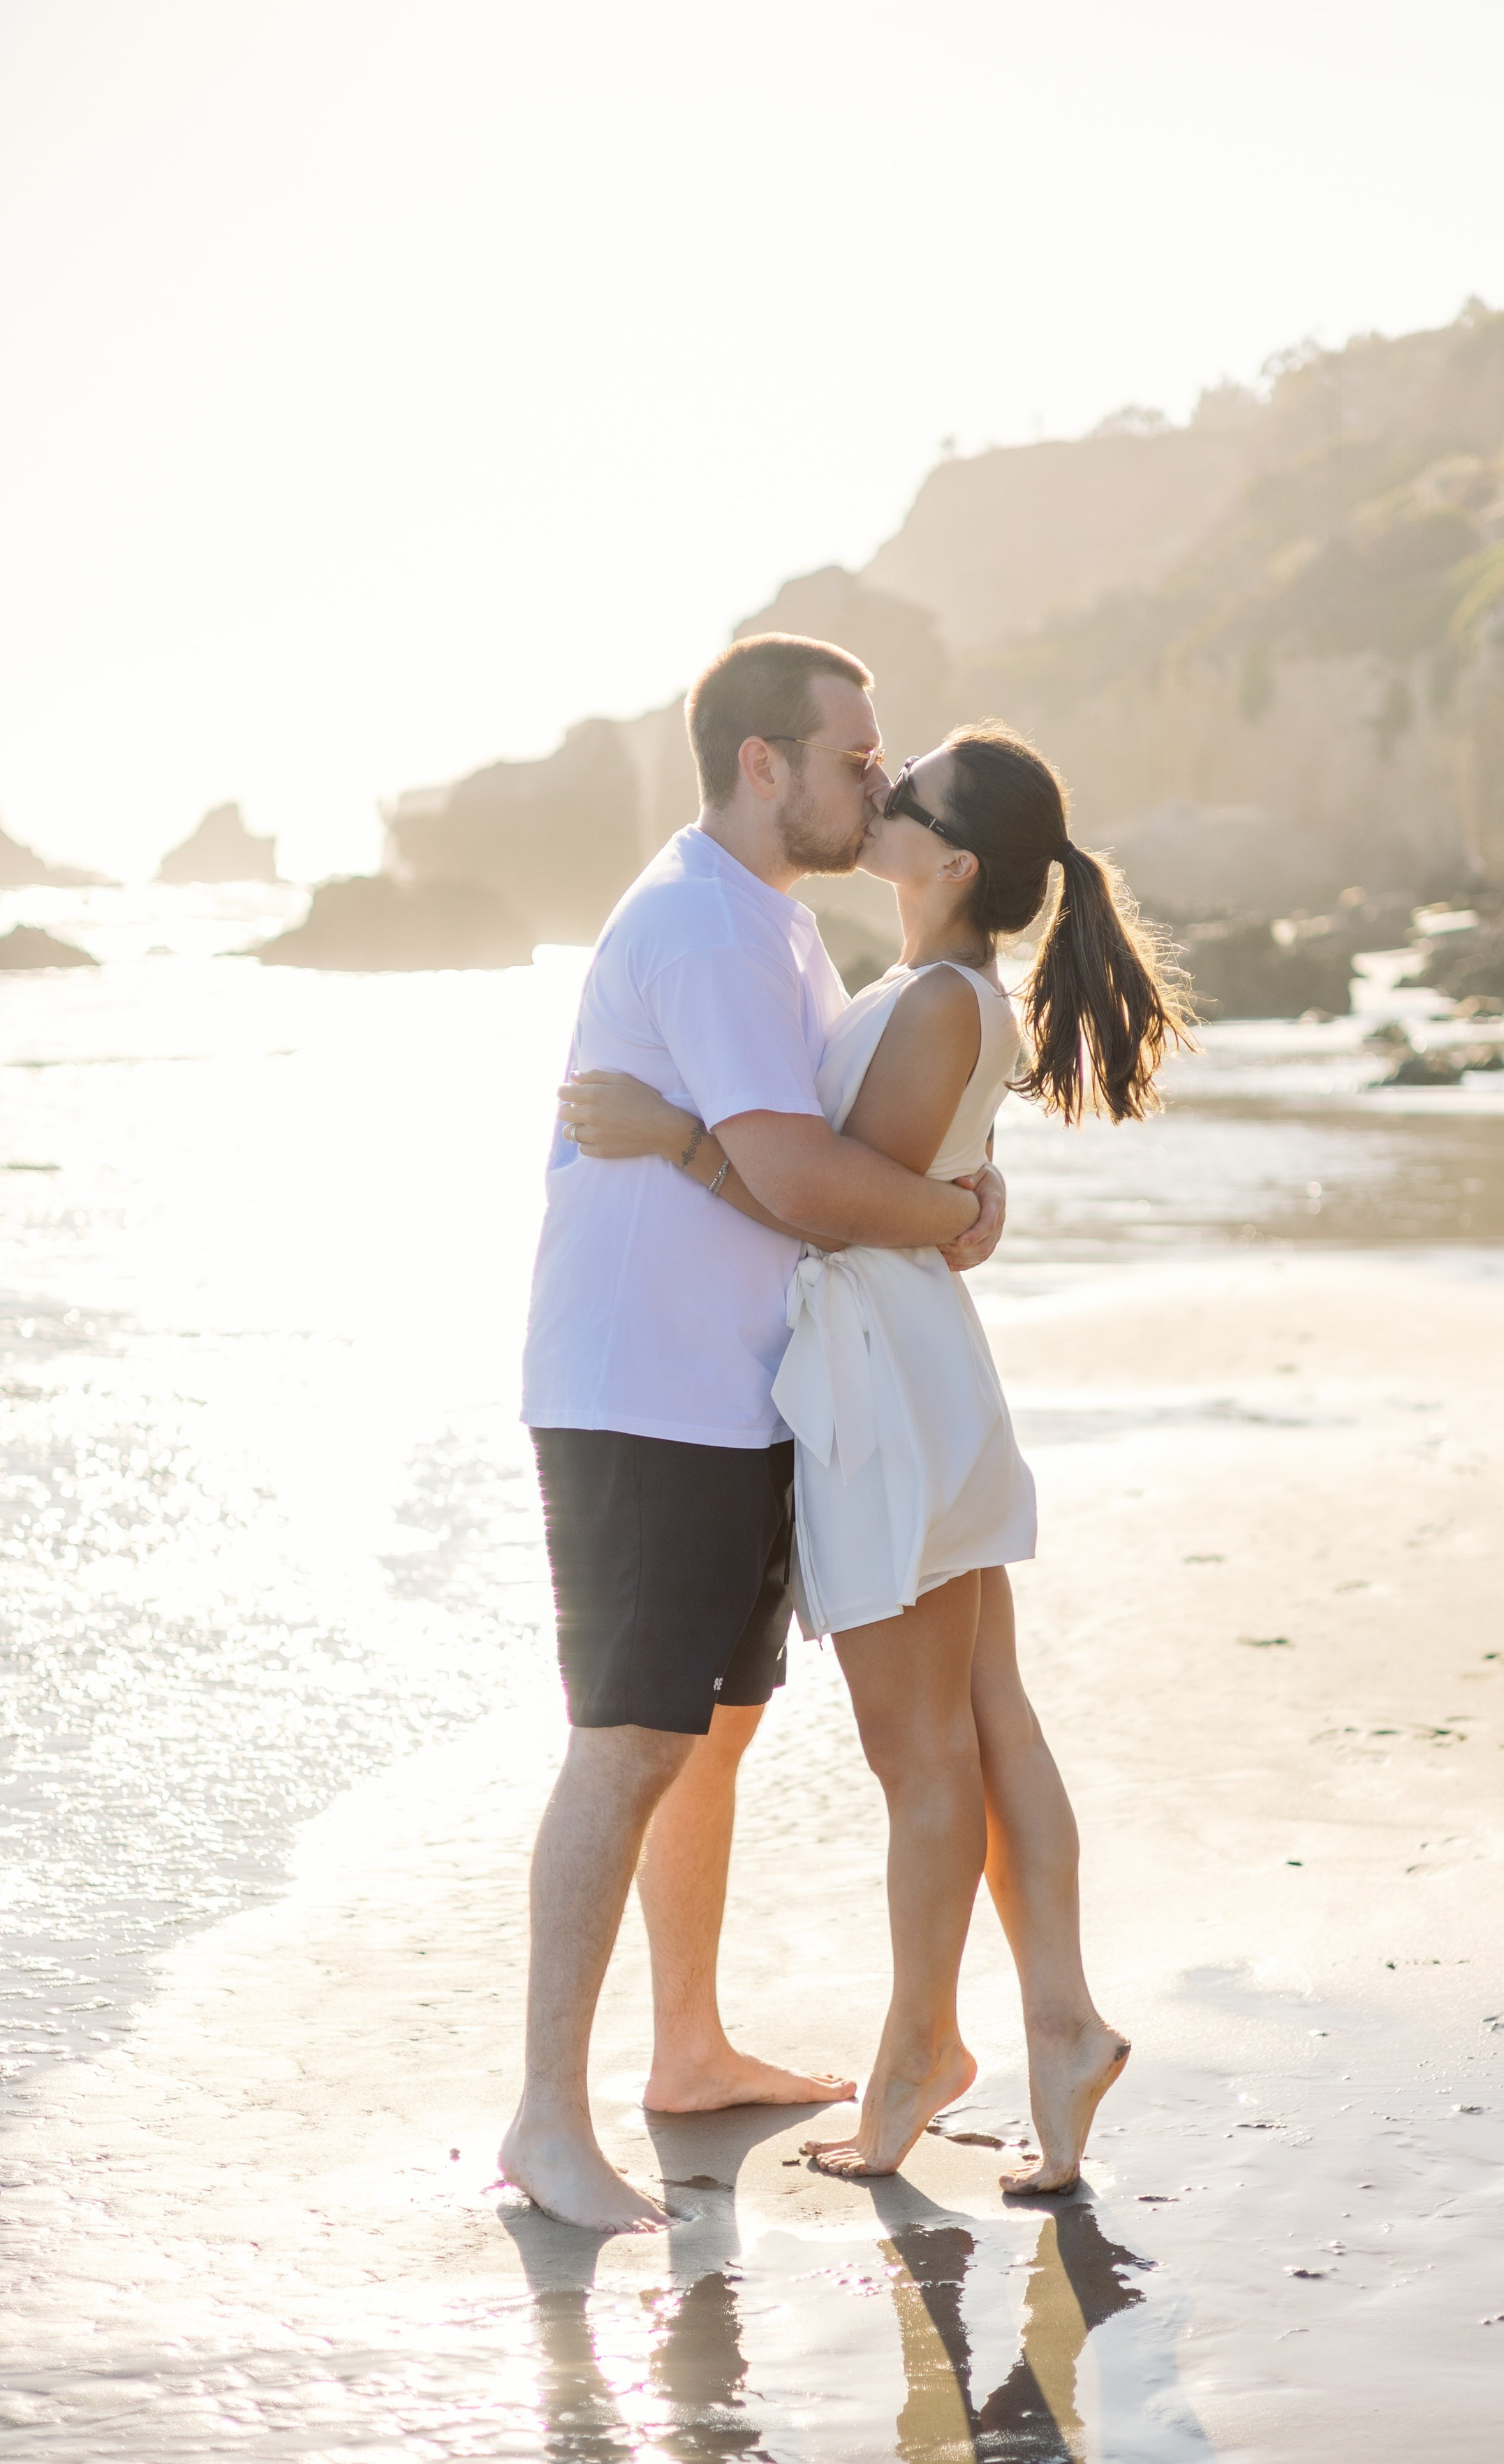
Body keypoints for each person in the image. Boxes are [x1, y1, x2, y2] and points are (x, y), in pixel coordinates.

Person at [561, 721, 1188, 2190]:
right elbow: (906, 1188)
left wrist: (672, 1134)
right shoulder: (932, 990)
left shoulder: (931, 1004)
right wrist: (957, 1203)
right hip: (915, 1370)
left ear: (950, 860)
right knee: (987, 1724)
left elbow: (836, 1205)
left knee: (921, 1754)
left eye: (901, 795)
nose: (877, 796)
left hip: (883, 1389)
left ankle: (921, 2055)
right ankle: (1060, 2026)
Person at [501, 635, 1008, 2234]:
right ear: (761, 764)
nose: (879, 775)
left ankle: (688, 2051)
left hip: (730, 1390)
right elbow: (793, 1177)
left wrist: (934, 1204)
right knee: (630, 1738)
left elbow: (794, 1158)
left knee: (709, 1732)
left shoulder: (769, 926)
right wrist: (949, 1216)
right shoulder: (710, 925)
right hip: (640, 1389)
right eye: (854, 754)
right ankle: (540, 2117)